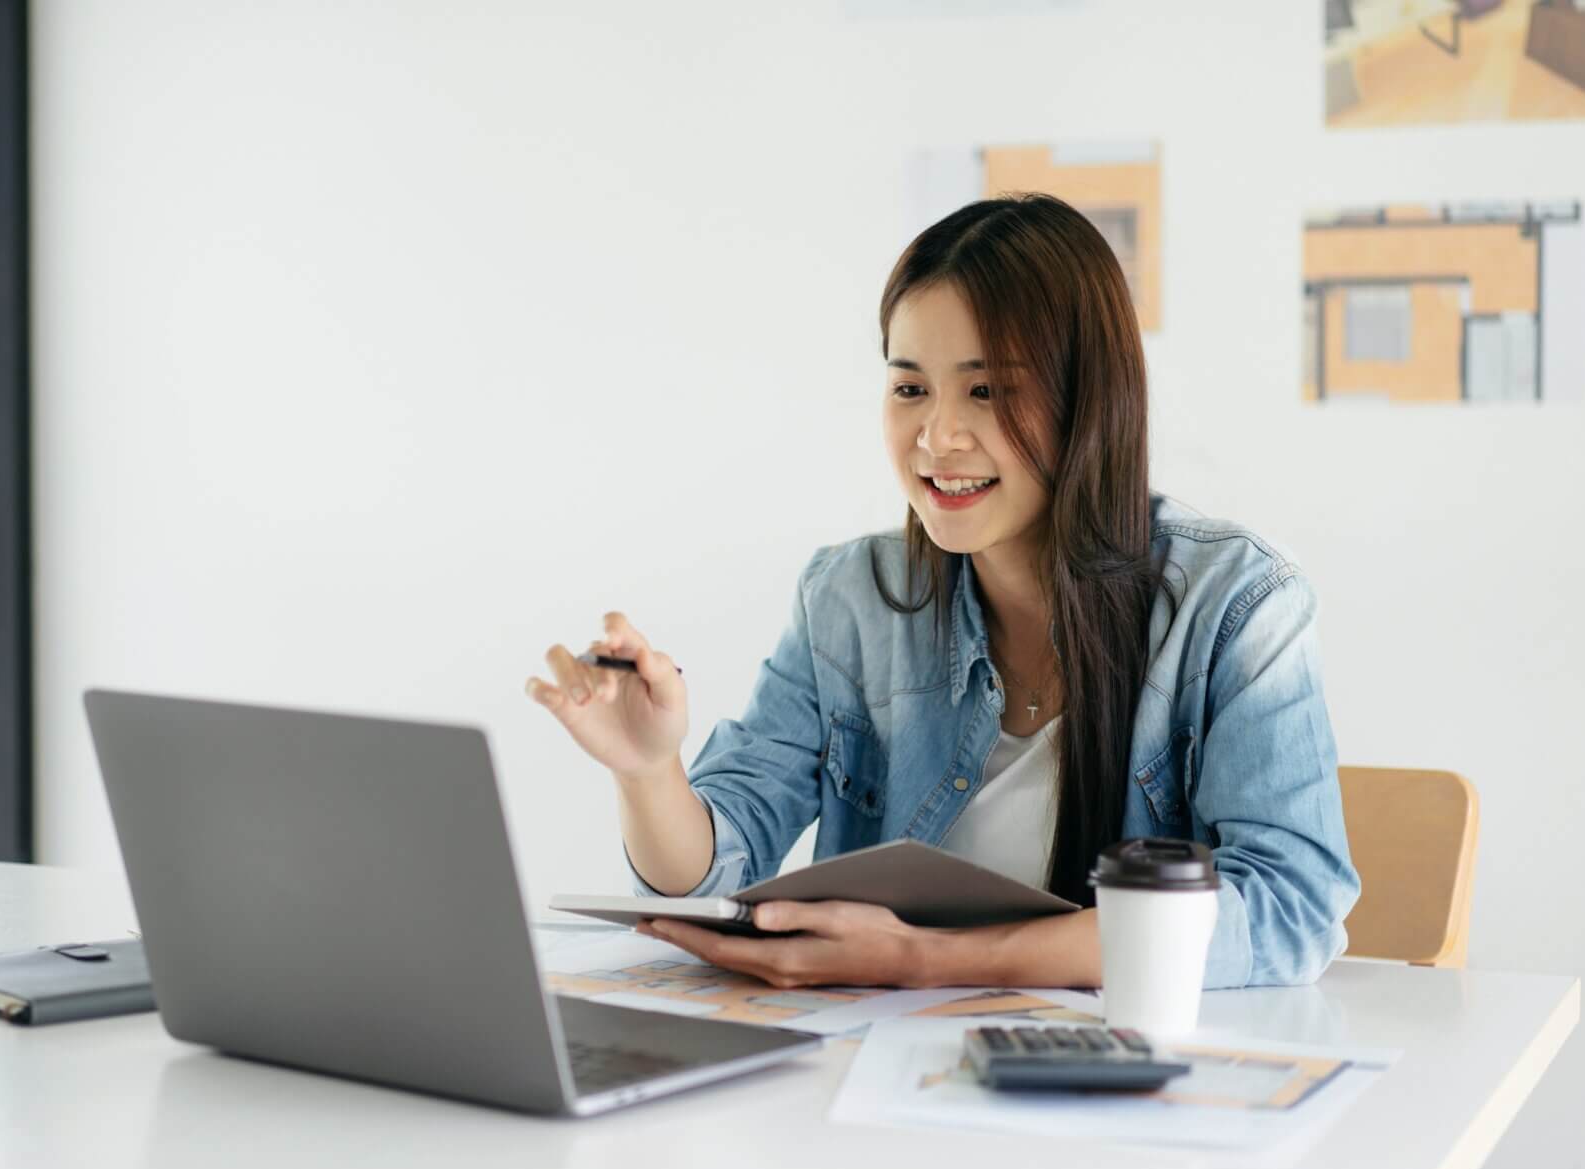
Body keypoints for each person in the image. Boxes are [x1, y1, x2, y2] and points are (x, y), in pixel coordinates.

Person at [525, 193, 1359, 991]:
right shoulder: (850, 597)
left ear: (1088, 401)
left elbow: (1291, 908)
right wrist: (649, 770)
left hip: (1138, 1094)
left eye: (988, 389)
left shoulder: (1238, 605)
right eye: (910, 387)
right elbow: (714, 871)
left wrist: (927, 959)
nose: (937, 436)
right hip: (885, 1076)